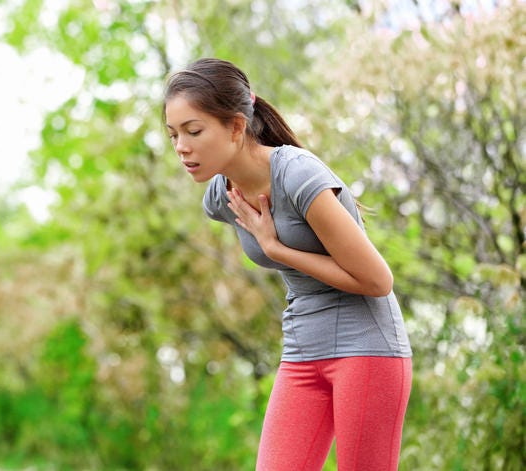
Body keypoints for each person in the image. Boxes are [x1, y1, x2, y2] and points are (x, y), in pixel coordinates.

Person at [163, 58, 413, 471]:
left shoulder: (297, 175)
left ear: (237, 126)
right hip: (301, 351)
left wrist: (278, 250)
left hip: (367, 349)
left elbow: (377, 280)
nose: (181, 147)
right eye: (173, 135)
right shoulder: (219, 197)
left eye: (194, 131)